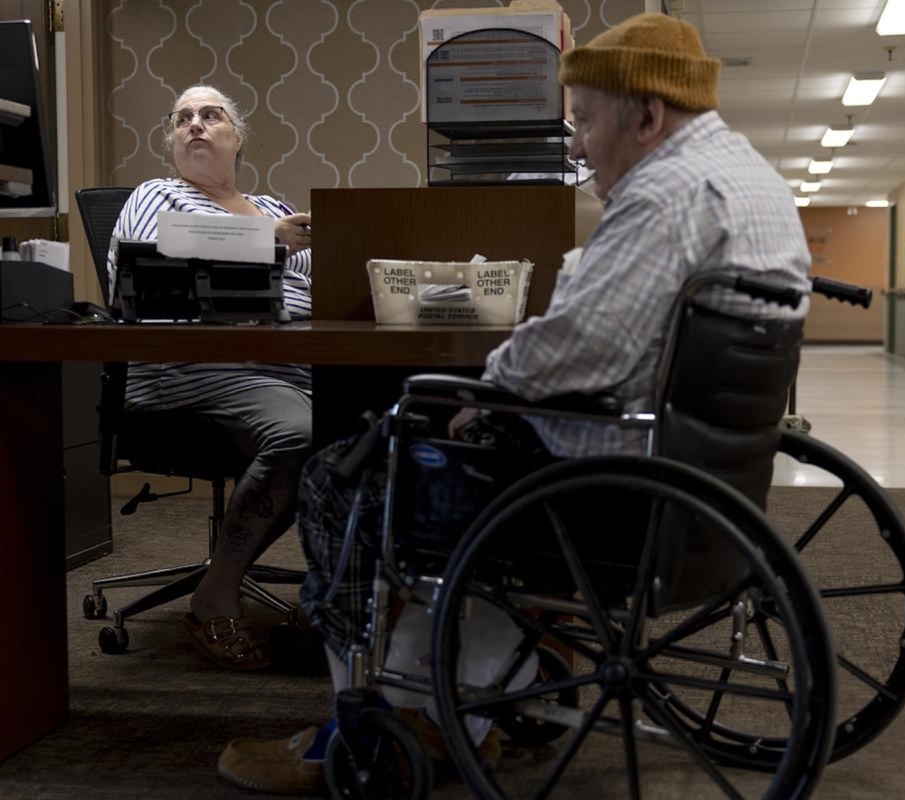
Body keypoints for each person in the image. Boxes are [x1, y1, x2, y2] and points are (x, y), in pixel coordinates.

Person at [215, 13, 811, 794]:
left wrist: (493, 387)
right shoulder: (749, 181)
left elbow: (582, 343)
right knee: (447, 463)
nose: (575, 146)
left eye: (586, 121)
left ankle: (374, 725)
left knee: (341, 479)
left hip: (604, 487)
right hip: (695, 473)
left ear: (646, 115)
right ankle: (459, 702)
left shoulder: (666, 194)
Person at [108, 84, 314, 671]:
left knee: (375, 425)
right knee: (301, 434)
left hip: (292, 365)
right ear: (173, 139)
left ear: (237, 136)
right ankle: (214, 595)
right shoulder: (159, 196)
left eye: (211, 115)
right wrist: (267, 244)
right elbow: (159, 257)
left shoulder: (276, 208)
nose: (195, 124)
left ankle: (344, 604)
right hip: (199, 368)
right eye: (183, 118)